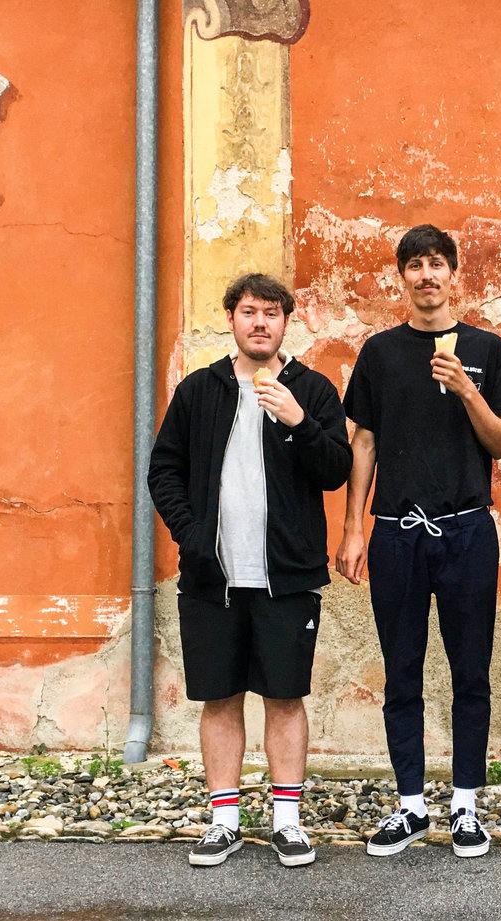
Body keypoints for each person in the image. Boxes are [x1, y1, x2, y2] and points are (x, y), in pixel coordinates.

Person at [147, 273, 352, 868]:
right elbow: (164, 470)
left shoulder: (311, 390)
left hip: (286, 576)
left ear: (287, 322)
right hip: (212, 578)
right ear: (231, 320)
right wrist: (193, 536)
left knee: (284, 697)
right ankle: (224, 822)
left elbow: (335, 470)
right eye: (248, 312)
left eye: (271, 313)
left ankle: (287, 821)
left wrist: (298, 421)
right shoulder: (199, 391)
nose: (260, 323)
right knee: (220, 698)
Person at [336, 224, 501, 859]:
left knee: (471, 671)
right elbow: (364, 442)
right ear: (403, 278)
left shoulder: (487, 349)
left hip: (467, 528)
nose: (426, 276)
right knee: (402, 672)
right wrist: (354, 529)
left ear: (453, 274)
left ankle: (466, 806)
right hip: (397, 531)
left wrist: (467, 388)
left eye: (436, 264)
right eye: (415, 265)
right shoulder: (381, 352)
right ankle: (411, 806)